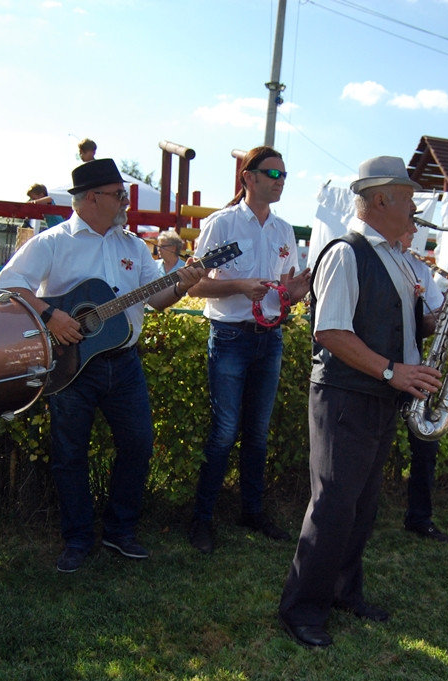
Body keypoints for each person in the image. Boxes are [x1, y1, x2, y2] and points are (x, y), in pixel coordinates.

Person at [277, 156, 448, 647]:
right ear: (382, 197)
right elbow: (330, 330)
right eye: (409, 198)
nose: (416, 208)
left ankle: (343, 591)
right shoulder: (347, 251)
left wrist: (439, 320)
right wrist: (393, 370)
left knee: (362, 505)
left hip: (378, 394)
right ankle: (302, 609)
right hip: (347, 394)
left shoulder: (397, 256)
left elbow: (395, 323)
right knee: (334, 505)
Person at [0, 159, 204, 573]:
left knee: (139, 445)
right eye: (119, 194)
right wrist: (50, 314)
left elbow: (156, 301)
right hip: (72, 366)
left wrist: (182, 284)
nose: (126, 202)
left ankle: (120, 530)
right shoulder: (53, 242)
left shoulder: (131, 246)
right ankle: (76, 538)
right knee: (70, 454)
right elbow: (6, 285)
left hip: (124, 364)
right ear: (93, 197)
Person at [186, 146, 311, 554]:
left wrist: (296, 291)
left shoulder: (283, 230)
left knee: (257, 433)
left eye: (284, 175)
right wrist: (240, 286)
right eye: (273, 174)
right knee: (224, 432)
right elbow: (195, 284)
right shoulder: (221, 224)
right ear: (248, 178)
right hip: (230, 336)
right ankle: (201, 520)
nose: (280, 181)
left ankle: (251, 512)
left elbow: (284, 292)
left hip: (269, 337)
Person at [399, 230, 448, 542]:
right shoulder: (364, 257)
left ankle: (420, 517)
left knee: (425, 443)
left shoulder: (420, 267)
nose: (415, 230)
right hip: (377, 368)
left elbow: (430, 321)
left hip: (415, 366)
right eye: (411, 220)